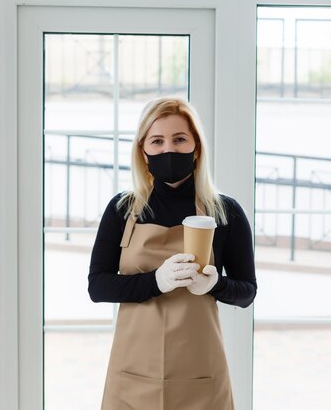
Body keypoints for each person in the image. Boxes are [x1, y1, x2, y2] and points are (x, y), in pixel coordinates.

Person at [88, 96, 257, 410]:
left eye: (180, 139)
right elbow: (97, 286)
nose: (169, 149)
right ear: (143, 150)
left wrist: (214, 285)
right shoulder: (123, 210)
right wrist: (156, 281)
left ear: (196, 147)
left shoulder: (225, 213)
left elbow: (247, 292)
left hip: (200, 377)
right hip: (133, 374)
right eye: (157, 141)